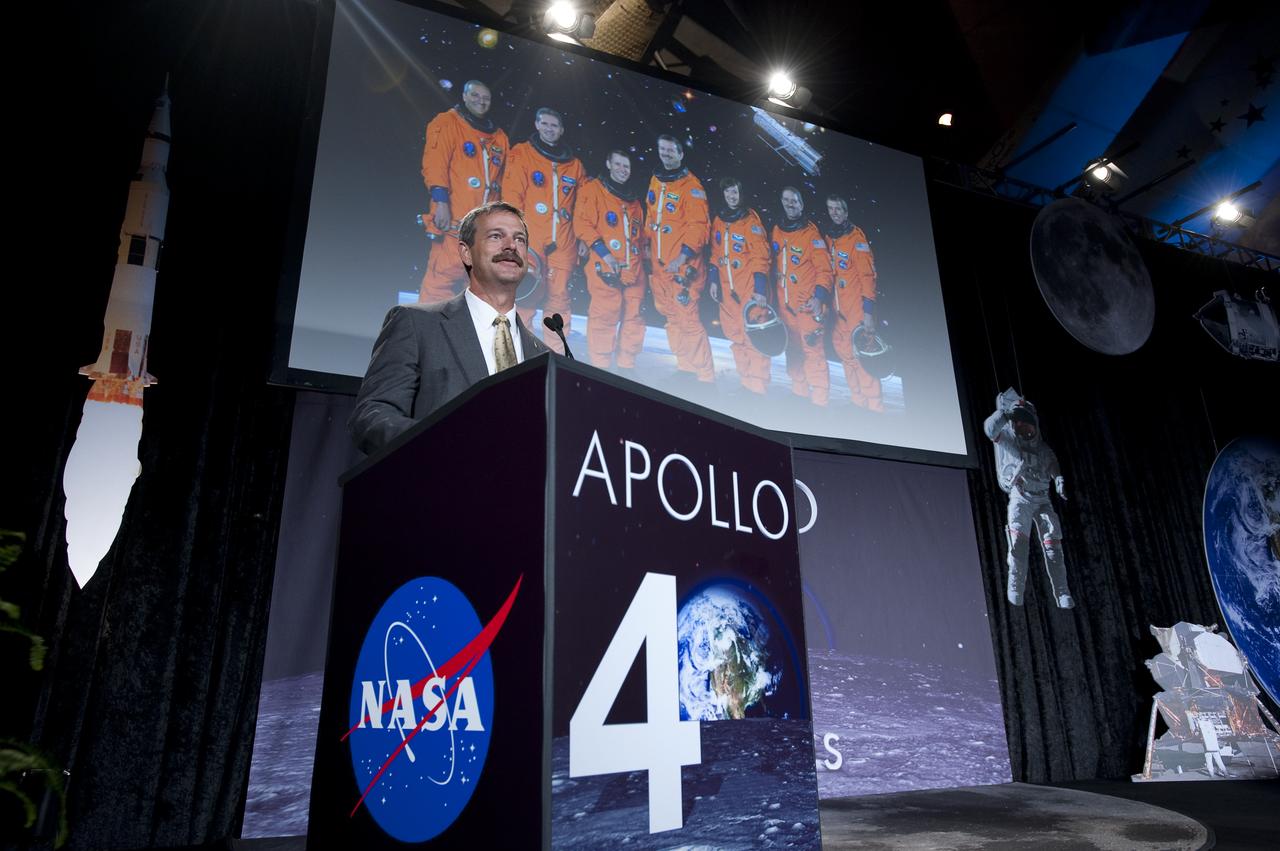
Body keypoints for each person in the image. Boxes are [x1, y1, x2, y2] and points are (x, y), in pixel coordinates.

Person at [350, 202, 550, 454]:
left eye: (520, 239)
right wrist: (442, 445)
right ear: (466, 253)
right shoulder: (416, 323)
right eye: (496, 236)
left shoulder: (544, 356)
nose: (511, 246)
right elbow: (373, 416)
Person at [500, 107, 585, 352]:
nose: (549, 129)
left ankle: (556, 354)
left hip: (564, 241)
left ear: (562, 130)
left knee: (559, 300)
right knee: (526, 297)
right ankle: (518, 352)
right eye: (545, 124)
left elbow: (583, 205)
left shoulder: (575, 166)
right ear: (537, 125)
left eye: (554, 125)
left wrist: (582, 238)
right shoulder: (522, 154)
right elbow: (512, 195)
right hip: (531, 237)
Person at [418, 80, 509, 304]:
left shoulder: (499, 137)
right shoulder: (447, 123)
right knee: (442, 279)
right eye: (475, 96)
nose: (481, 101)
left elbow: (503, 181)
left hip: (484, 229)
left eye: (486, 97)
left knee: (476, 288)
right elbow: (435, 164)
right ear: (465, 96)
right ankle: (429, 334)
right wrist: (441, 203)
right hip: (455, 219)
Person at [984, 388, 1074, 609]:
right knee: (1018, 546)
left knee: (1054, 547)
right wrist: (1005, 414)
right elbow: (990, 430)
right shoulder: (1011, 442)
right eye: (1019, 423)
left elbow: (1052, 463)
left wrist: (1058, 479)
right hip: (1021, 499)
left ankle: (1062, 592)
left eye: (1028, 423)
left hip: (1043, 498)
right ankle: (1015, 588)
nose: (1024, 427)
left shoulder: (1042, 448)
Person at [644, 134, 713, 383]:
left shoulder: (692, 187)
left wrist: (683, 256)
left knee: (689, 320)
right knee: (672, 318)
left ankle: (705, 377)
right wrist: (645, 244)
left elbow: (699, 227)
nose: (666, 153)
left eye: (671, 150)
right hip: (660, 265)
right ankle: (686, 367)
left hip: (683, 266)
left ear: (681, 154)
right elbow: (652, 217)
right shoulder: (656, 181)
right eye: (662, 149)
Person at [575, 150, 646, 370]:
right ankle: (600, 366)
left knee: (634, 318)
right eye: (618, 164)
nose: (622, 170)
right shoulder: (593, 190)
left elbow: (639, 236)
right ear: (608, 163)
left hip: (633, 267)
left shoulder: (634, 202)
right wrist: (605, 254)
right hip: (605, 263)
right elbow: (583, 224)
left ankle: (627, 366)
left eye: (626, 166)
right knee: (605, 315)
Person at [708, 178, 772, 394]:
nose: (731, 197)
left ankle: (758, 388)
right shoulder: (719, 220)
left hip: (749, 290)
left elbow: (761, 257)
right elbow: (716, 253)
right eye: (727, 193)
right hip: (727, 290)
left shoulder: (750, 221)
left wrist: (760, 289)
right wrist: (714, 280)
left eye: (734, 192)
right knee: (736, 338)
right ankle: (746, 383)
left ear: (741, 193)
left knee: (753, 340)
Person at [770, 187, 832, 406]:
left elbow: (825, 270)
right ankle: (799, 394)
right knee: (793, 350)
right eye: (786, 200)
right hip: (786, 306)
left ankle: (819, 402)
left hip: (807, 305)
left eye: (794, 201)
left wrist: (818, 298)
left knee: (812, 352)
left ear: (801, 204)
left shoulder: (812, 235)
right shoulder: (777, 230)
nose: (790, 204)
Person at [824, 195, 883, 411]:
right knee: (846, 356)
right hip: (840, 313)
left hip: (858, 312)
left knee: (862, 360)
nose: (834, 213)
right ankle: (858, 402)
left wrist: (868, 314)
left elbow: (868, 278)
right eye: (831, 209)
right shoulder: (830, 238)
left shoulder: (856, 239)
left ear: (846, 211)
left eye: (838, 209)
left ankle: (875, 407)